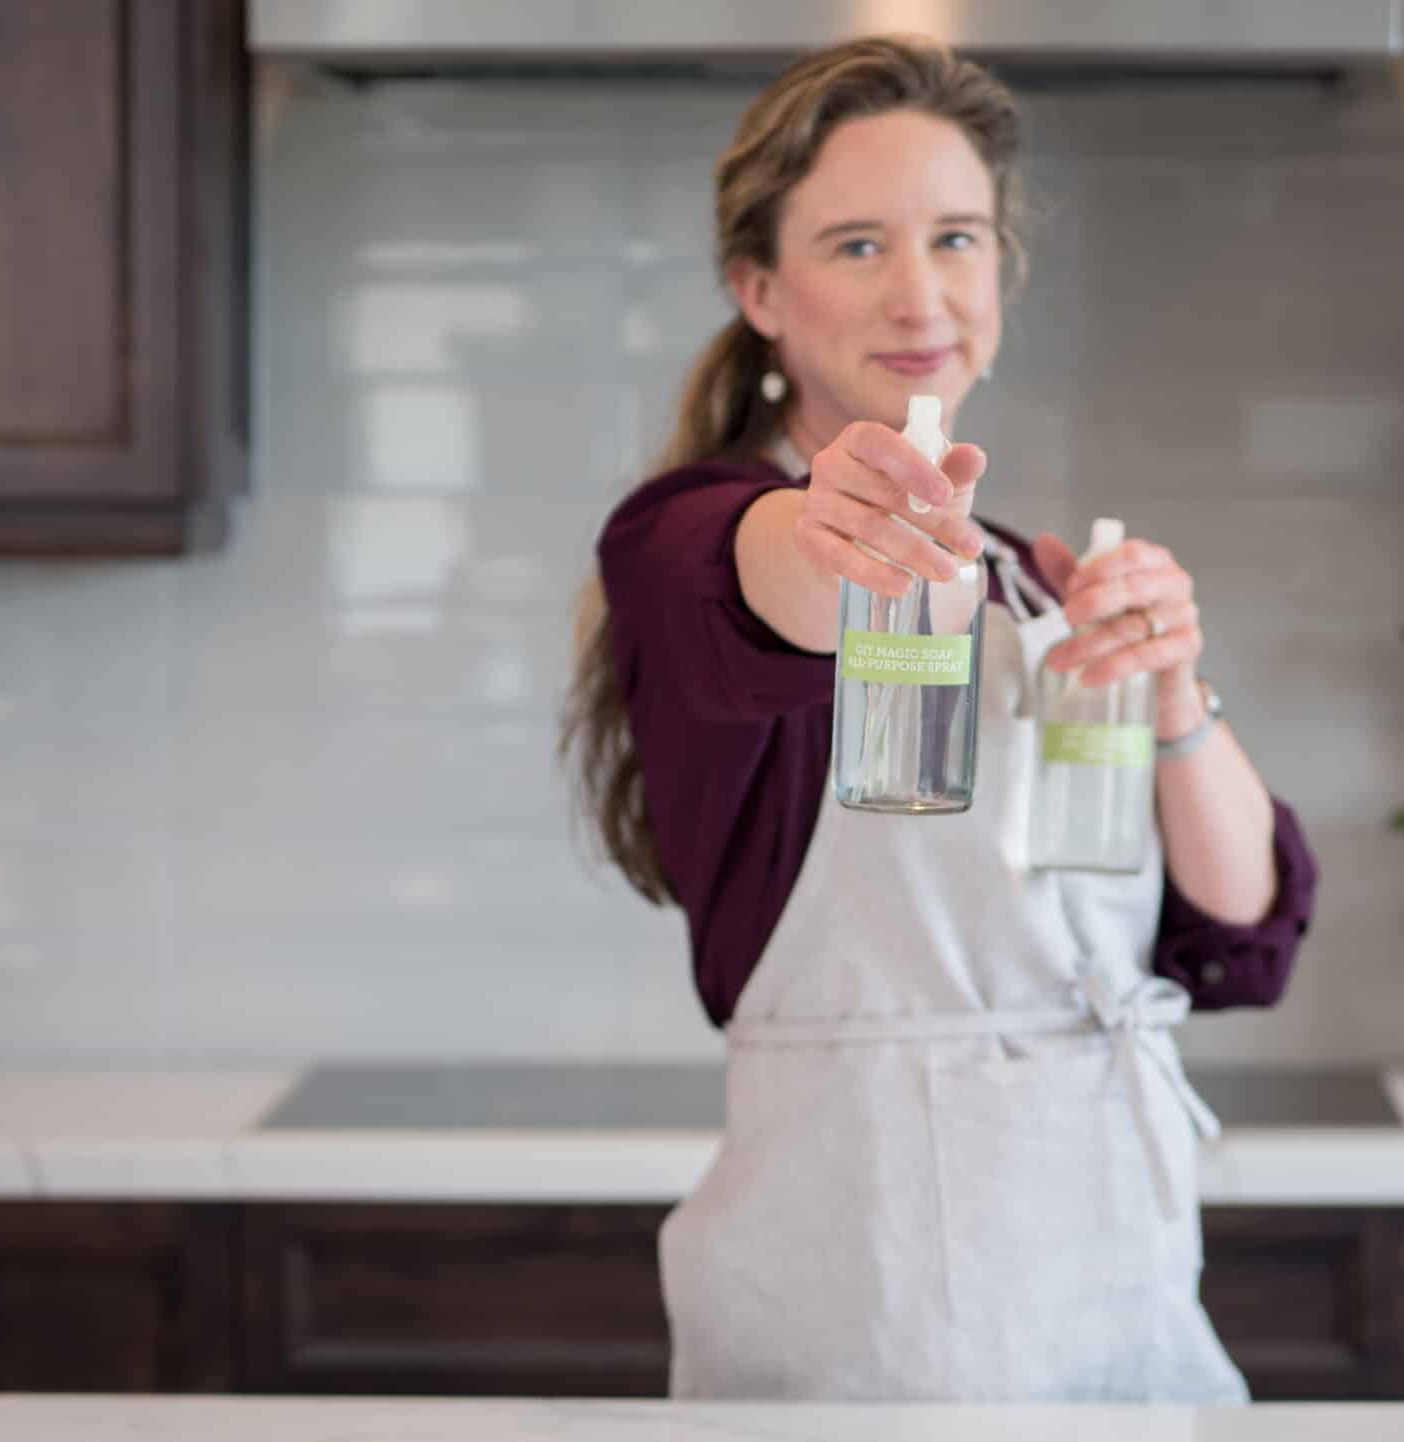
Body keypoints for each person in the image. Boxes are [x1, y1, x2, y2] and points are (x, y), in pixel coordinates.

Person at [562, 34, 1320, 1403]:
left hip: (1116, 1304)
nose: (920, 292)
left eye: (956, 238)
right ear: (760, 291)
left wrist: (1174, 690)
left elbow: (1238, 943)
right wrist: (826, 528)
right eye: (857, 245)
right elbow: (761, 590)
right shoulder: (687, 536)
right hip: (868, 1317)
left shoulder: (1033, 580)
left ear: (1002, 272)